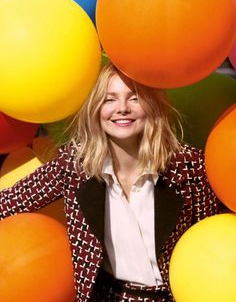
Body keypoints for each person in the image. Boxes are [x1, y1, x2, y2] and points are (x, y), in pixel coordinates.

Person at [0, 62, 223, 302]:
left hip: (170, 297)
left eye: (134, 98)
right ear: (95, 108)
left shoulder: (189, 166)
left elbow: (212, 243)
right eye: (109, 100)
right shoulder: (75, 164)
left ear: (152, 105)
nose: (122, 109)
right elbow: (10, 202)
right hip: (104, 296)